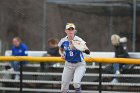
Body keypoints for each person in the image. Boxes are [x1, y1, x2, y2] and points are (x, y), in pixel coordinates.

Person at [58, 23, 90, 93]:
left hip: (79, 64)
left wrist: (83, 49)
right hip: (68, 64)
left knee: (76, 83)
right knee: (63, 88)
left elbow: (87, 50)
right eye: (69, 29)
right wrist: (62, 54)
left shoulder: (78, 40)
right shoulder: (63, 40)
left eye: (72, 29)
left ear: (75, 31)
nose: (70, 31)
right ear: (65, 31)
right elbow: (60, 49)